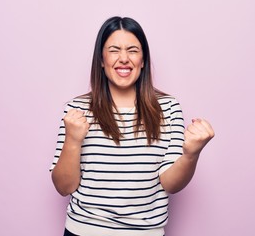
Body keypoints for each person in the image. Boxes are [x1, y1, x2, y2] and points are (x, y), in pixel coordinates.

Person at [50, 16, 214, 236]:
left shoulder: (169, 108)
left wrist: (191, 155)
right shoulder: (77, 110)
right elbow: (63, 187)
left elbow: (170, 183)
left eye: (133, 50)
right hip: (83, 231)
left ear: (143, 59)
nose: (124, 58)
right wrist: (73, 140)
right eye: (114, 50)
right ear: (101, 59)